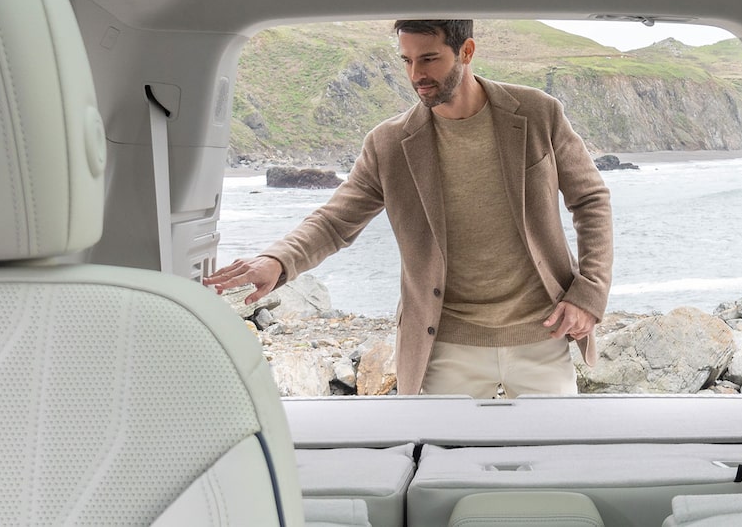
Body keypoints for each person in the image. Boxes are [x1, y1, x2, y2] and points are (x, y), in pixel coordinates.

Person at [205, 20, 612, 397]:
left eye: (429, 58)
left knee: (552, 468)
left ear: (466, 51)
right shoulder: (389, 144)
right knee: (446, 470)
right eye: (407, 60)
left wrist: (589, 293)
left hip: (543, 335)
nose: (417, 73)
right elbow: (334, 222)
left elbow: (590, 199)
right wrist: (278, 260)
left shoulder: (538, 113)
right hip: (446, 344)